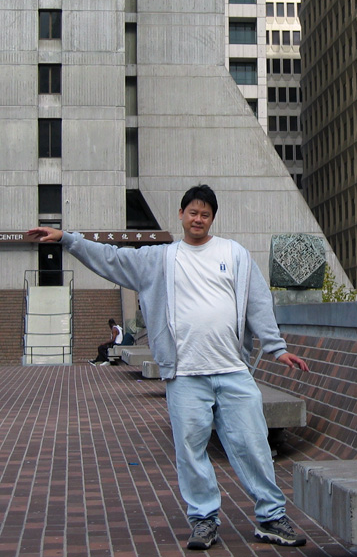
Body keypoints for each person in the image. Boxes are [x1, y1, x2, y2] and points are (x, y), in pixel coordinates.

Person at [27, 184, 310, 551]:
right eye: (192, 212)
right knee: (190, 451)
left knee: (253, 445)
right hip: (185, 375)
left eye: (205, 214)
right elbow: (111, 258)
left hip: (232, 370)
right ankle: (204, 519)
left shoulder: (234, 254)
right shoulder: (160, 259)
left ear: (212, 218)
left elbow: (258, 302)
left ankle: (271, 517)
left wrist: (276, 348)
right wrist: (68, 239)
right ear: (181, 215)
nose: (198, 219)